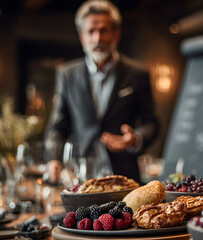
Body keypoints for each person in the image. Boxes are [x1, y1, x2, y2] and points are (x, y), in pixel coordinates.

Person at [44, 0, 158, 183]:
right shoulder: (67, 74)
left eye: (104, 30)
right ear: (82, 37)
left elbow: (152, 123)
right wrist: (53, 158)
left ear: (116, 34)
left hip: (124, 178)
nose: (98, 38)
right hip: (80, 177)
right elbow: (57, 127)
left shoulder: (138, 74)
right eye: (91, 31)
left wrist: (135, 138)